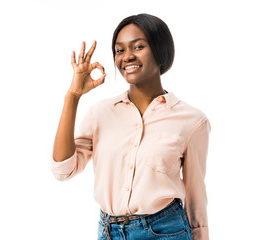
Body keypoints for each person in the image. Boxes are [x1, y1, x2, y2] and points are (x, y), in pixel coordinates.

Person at [52, 13, 210, 240]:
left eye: (138, 47)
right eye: (120, 50)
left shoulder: (192, 121)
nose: (127, 57)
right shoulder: (101, 113)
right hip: (108, 231)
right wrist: (73, 96)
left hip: (166, 231)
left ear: (160, 50)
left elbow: (196, 194)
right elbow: (62, 170)